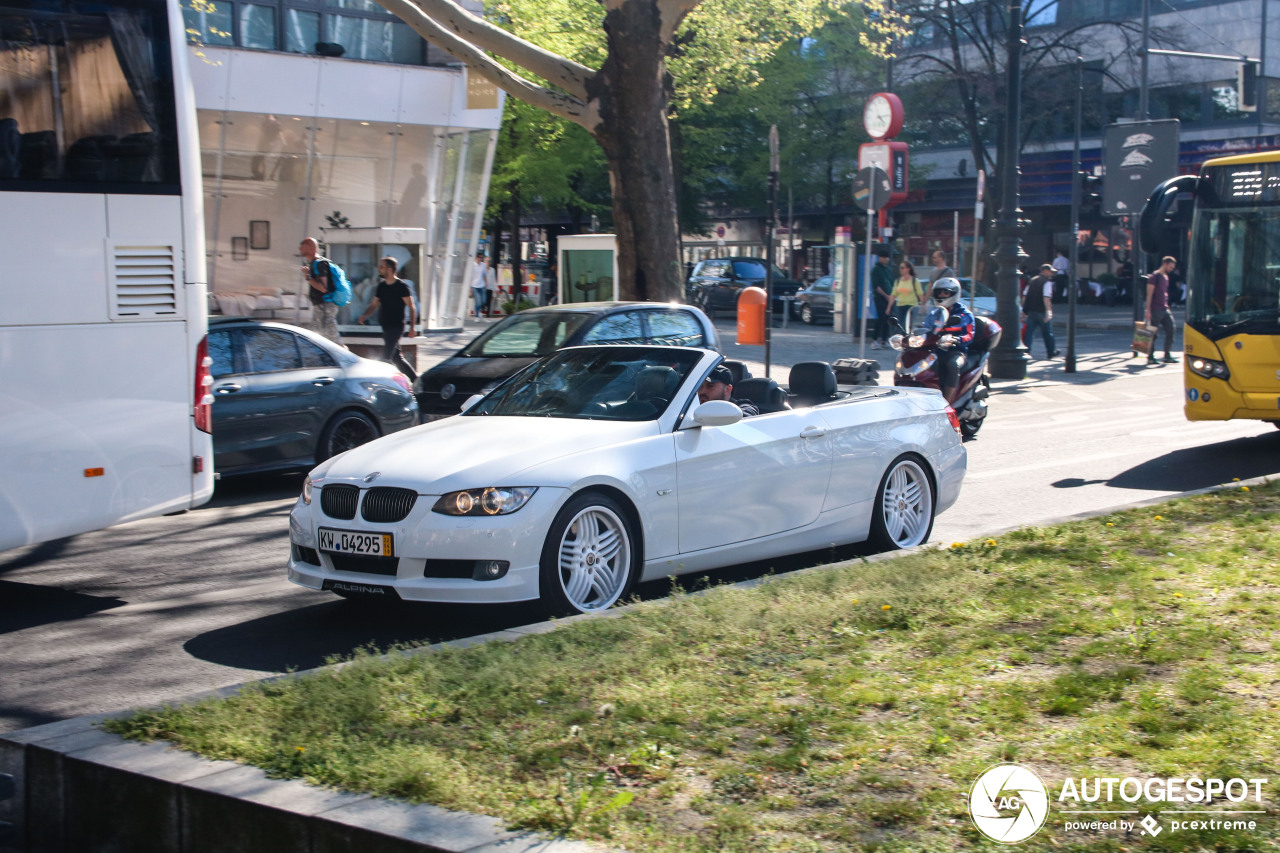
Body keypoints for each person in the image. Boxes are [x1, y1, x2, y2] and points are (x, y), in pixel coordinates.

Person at [357, 256, 418, 381]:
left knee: (385, 358)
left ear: (389, 269)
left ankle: (378, 382)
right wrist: (365, 315)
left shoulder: (402, 286)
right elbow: (374, 304)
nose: (379, 269)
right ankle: (417, 381)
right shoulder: (382, 287)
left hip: (396, 327)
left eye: (382, 267)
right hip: (386, 326)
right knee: (397, 358)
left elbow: (412, 307)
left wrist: (412, 328)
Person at [930, 277, 975, 403]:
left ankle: (948, 401)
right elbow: (925, 327)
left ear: (954, 294)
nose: (942, 295)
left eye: (946, 292)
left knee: (953, 365)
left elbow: (969, 335)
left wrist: (957, 340)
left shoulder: (964, 314)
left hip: (956, 351)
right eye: (939, 292)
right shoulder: (935, 313)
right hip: (935, 350)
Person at [299, 237, 342, 345]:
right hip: (321, 306)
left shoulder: (319, 264)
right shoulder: (315, 263)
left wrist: (308, 277)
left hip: (325, 306)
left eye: (302, 246)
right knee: (318, 338)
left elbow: (323, 288)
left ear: (310, 247)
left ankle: (346, 358)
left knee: (331, 338)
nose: (299, 249)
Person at [1020, 263, 1060, 360]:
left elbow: (1025, 296)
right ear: (1045, 271)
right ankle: (1051, 351)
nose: (1051, 273)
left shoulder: (1032, 281)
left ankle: (1026, 351)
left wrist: (1023, 309)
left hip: (1031, 310)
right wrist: (1049, 311)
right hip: (1041, 311)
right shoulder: (1047, 283)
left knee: (1029, 332)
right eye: (1050, 271)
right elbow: (1046, 298)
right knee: (1047, 333)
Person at [1145, 255, 1178, 365]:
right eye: (1170, 267)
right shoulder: (1155, 276)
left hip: (1164, 308)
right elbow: (1149, 294)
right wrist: (1148, 310)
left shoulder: (1165, 277)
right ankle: (1150, 356)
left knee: (1171, 329)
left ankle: (1167, 355)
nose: (1171, 269)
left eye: (1172, 268)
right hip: (1155, 309)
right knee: (1153, 333)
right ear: (1164, 264)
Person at [888, 259, 924, 331]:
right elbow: (893, 294)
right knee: (900, 325)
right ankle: (901, 340)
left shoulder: (914, 281)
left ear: (908, 269)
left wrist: (923, 306)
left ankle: (907, 339)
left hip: (911, 306)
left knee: (907, 325)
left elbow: (920, 294)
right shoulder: (898, 281)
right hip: (900, 306)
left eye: (902, 268)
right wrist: (889, 307)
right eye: (900, 268)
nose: (900, 270)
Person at [870, 249, 894, 348]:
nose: (886, 259)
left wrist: (892, 296)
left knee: (887, 319)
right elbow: (877, 286)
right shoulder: (876, 269)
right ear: (880, 258)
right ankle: (875, 340)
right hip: (880, 298)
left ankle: (885, 340)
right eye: (884, 257)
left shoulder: (888, 269)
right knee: (881, 318)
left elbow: (892, 284)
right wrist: (886, 296)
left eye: (887, 257)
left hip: (889, 298)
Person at [470, 252, 490, 319]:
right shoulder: (472, 265)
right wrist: (470, 288)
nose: (480, 259)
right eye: (479, 257)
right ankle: (477, 316)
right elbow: (471, 277)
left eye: (481, 257)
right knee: (477, 302)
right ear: (476, 257)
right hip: (475, 285)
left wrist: (486, 284)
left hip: (482, 285)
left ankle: (480, 311)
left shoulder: (483, 265)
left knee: (484, 301)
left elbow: (484, 275)